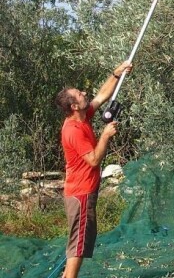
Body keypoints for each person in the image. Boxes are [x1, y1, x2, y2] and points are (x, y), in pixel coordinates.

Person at [55, 60, 132, 278]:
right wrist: (106, 135)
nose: (84, 92)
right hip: (80, 194)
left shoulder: (84, 115)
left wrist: (116, 75)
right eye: (79, 94)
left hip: (84, 191)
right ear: (74, 106)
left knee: (80, 241)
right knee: (78, 244)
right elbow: (94, 160)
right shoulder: (73, 130)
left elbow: (101, 96)